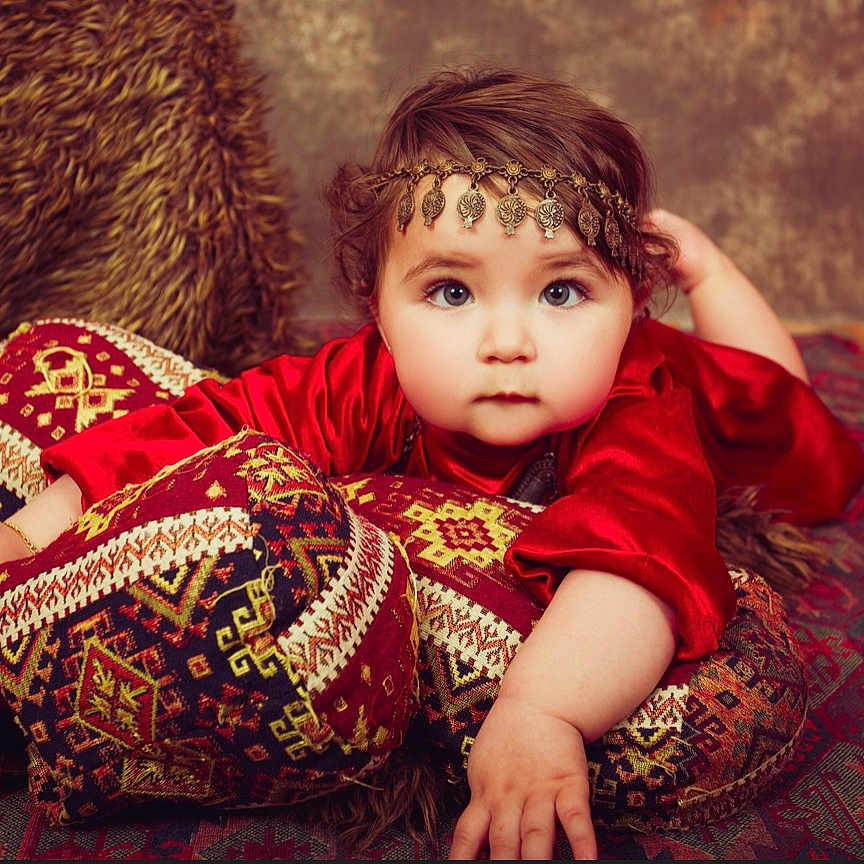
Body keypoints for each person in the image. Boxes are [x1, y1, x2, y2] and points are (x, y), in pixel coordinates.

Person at [1, 68, 862, 860]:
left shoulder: (641, 406)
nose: (507, 342)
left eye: (562, 291)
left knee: (784, 405)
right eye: (451, 292)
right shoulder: (371, 374)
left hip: (740, 415)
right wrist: (34, 529)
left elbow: (640, 561)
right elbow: (211, 422)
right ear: (377, 305)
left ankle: (706, 268)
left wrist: (540, 710)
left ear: (632, 302)